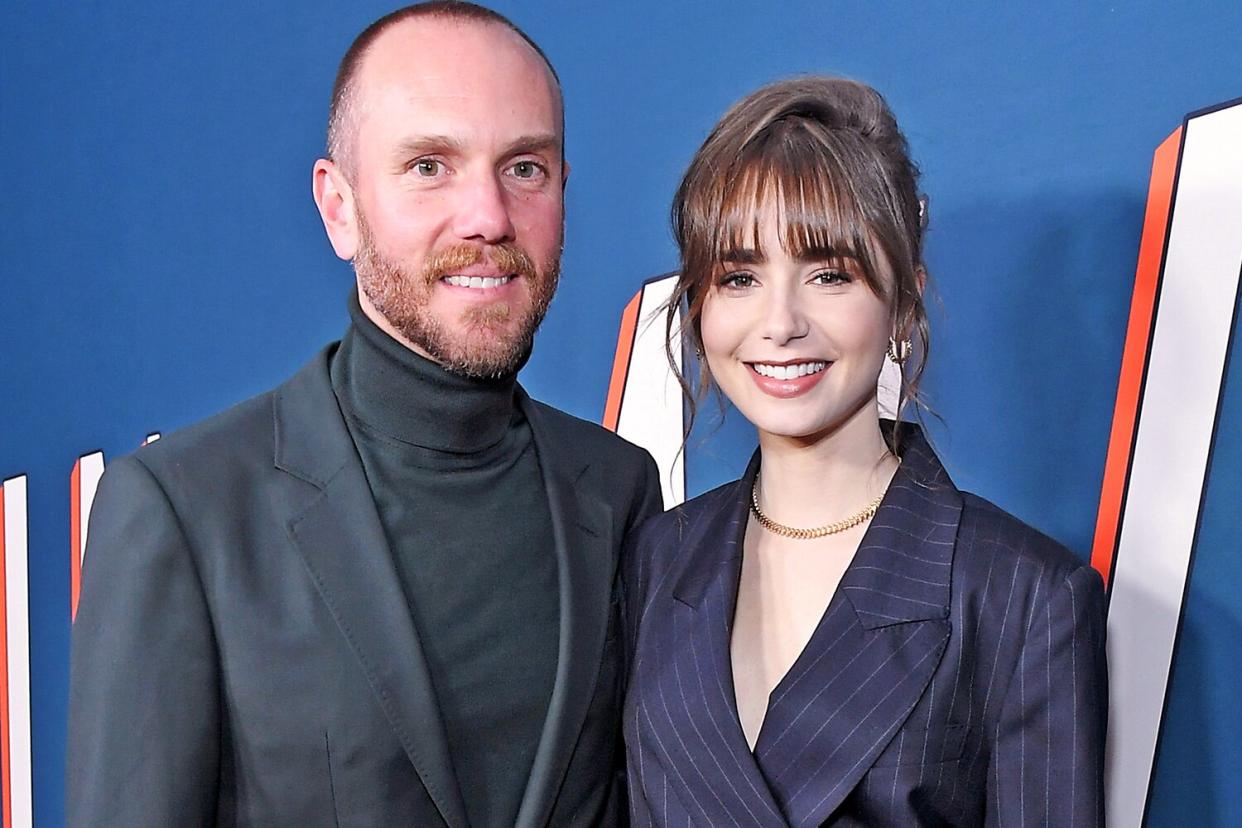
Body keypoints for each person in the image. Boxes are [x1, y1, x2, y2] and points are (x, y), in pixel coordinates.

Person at [67, 3, 661, 826]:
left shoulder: (620, 490)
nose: (487, 217)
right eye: (429, 166)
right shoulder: (185, 511)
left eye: (524, 167)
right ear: (338, 207)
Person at [622, 77, 1108, 826]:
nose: (780, 323)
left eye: (829, 275)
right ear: (699, 306)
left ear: (903, 302)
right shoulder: (657, 559)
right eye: (740, 277)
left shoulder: (1020, 595)